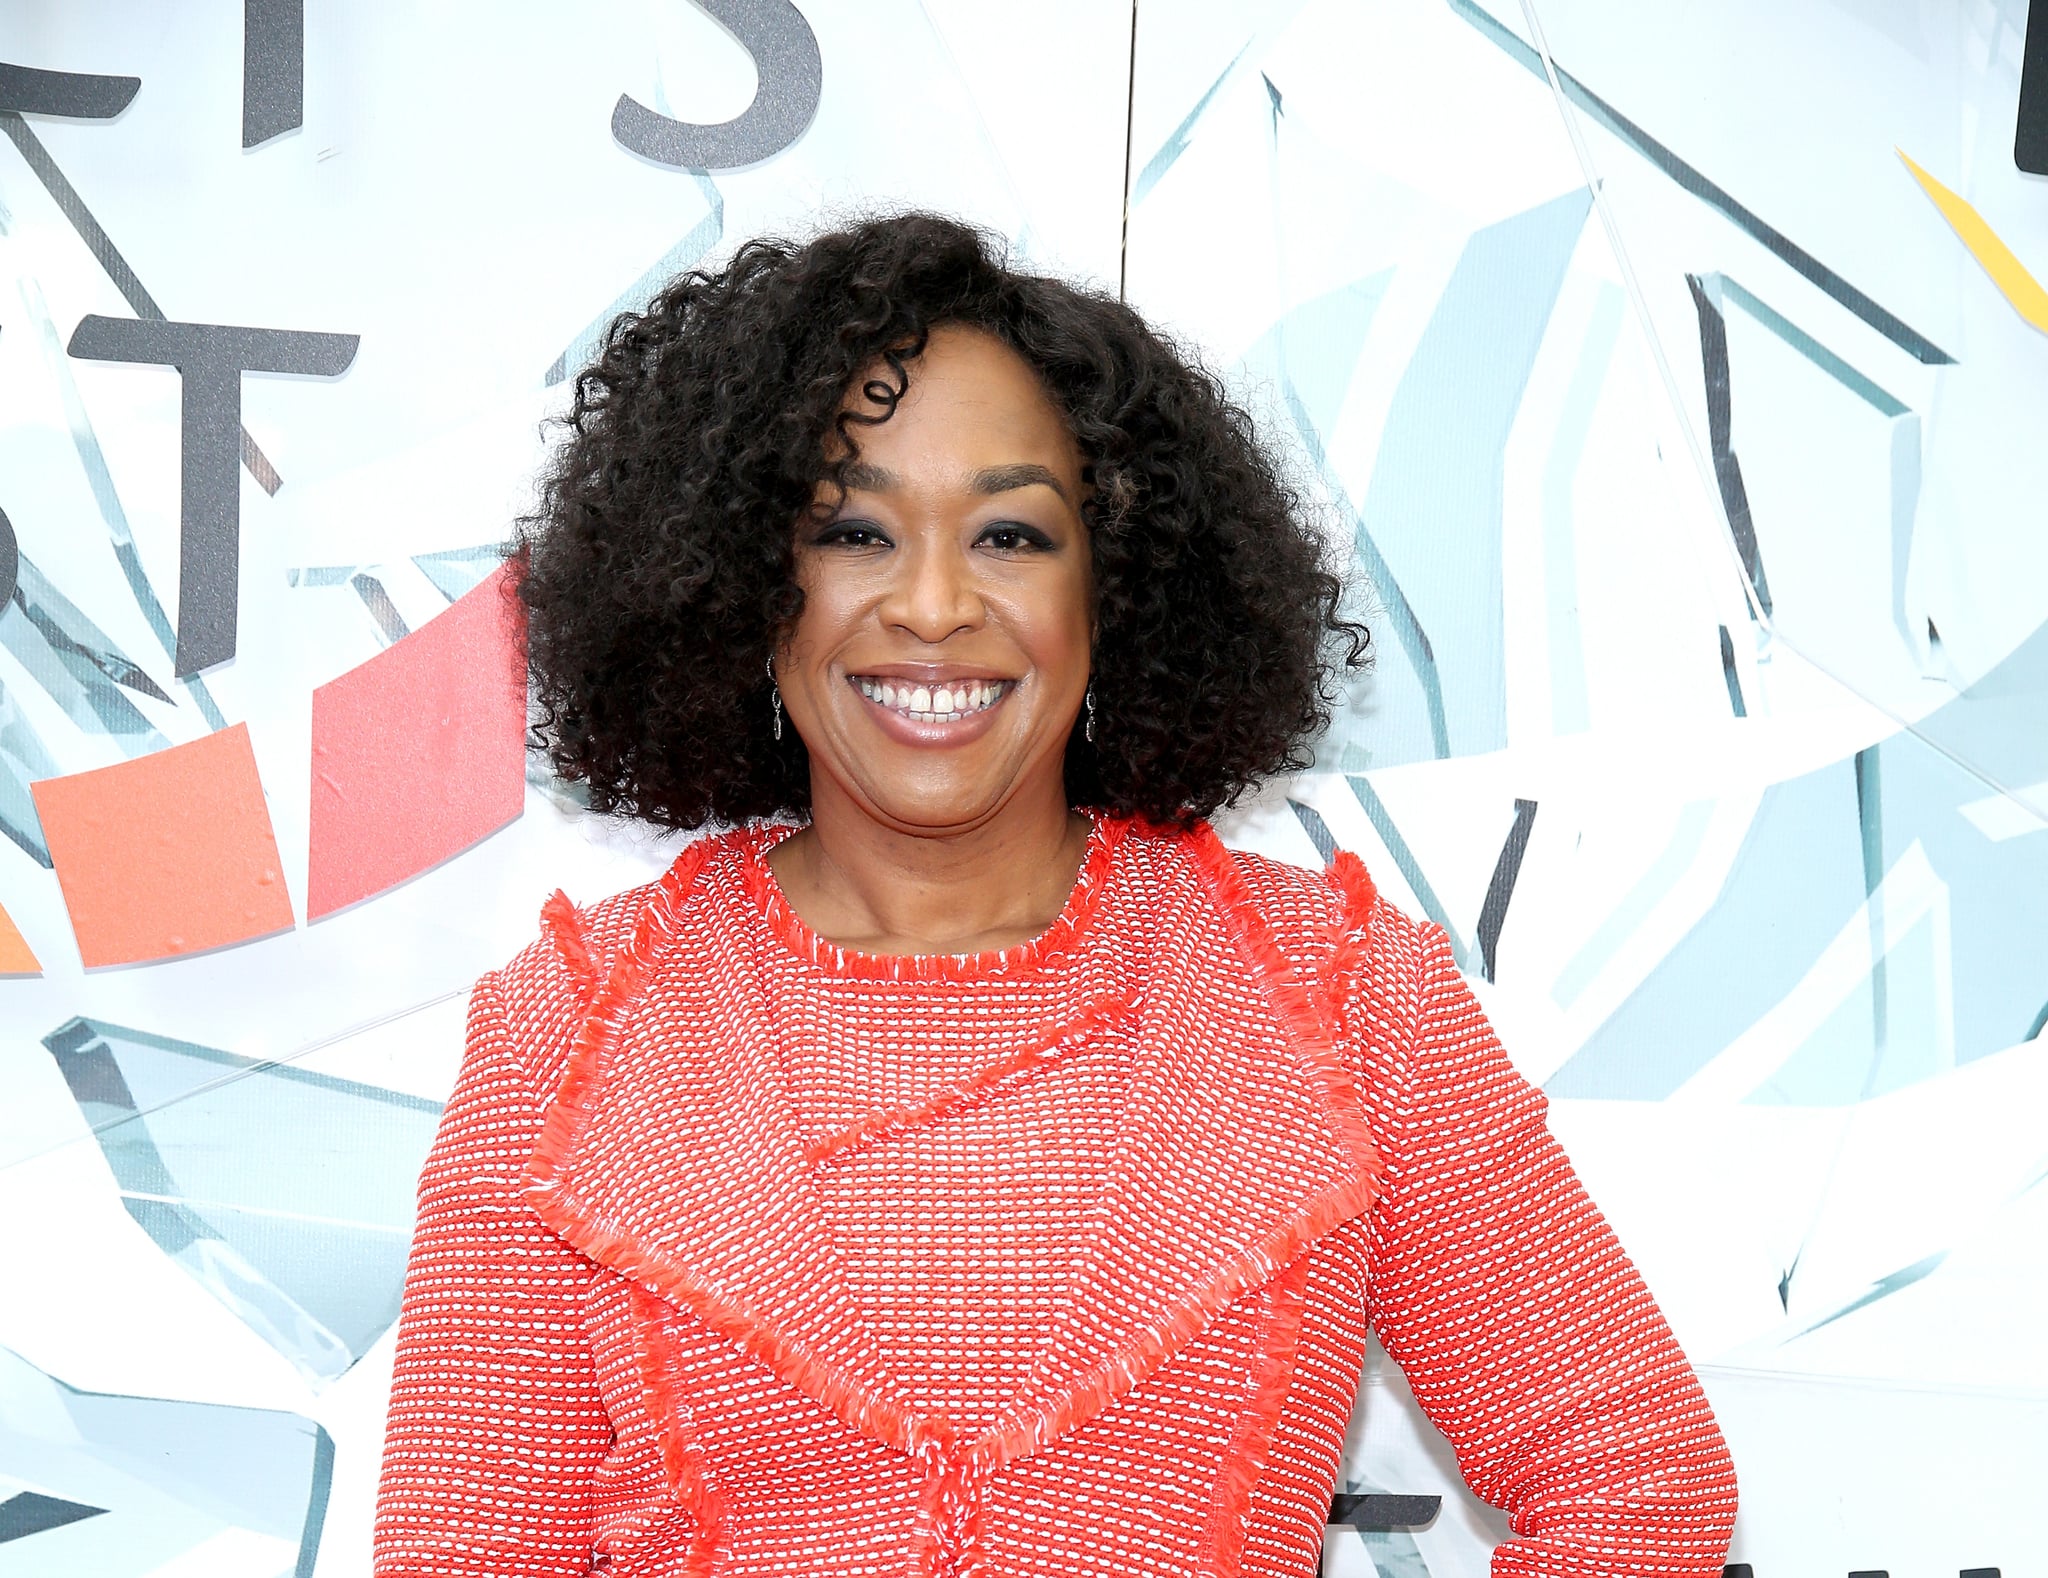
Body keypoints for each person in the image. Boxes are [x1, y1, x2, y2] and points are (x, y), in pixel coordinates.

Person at [372, 212, 1737, 1578]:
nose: (931, 603)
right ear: (745, 583)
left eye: (1011, 534)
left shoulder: (1345, 998)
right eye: (853, 527)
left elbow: (1641, 1484)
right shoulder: (569, 1029)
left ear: (1117, 587)